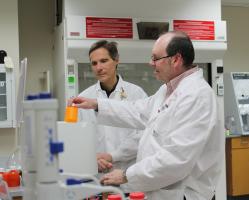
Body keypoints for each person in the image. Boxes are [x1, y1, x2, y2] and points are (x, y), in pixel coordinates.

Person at [70, 31, 224, 200]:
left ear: (175, 59)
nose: (150, 63)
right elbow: (138, 111)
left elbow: (176, 159)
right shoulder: (167, 90)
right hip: (159, 189)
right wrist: (97, 104)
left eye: (155, 58)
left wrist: (127, 175)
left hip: (184, 193)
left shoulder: (196, 95)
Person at [77, 40, 147, 193]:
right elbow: (77, 141)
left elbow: (144, 135)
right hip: (96, 182)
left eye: (104, 61)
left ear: (116, 60)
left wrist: (113, 156)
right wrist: (92, 159)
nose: (99, 67)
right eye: (94, 63)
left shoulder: (136, 94)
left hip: (128, 179)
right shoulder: (84, 98)